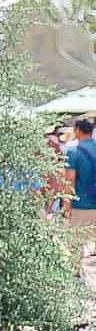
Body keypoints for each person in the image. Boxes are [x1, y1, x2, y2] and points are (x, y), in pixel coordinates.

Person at [66, 118, 96, 285]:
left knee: (76, 243)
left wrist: (66, 206)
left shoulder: (73, 151)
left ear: (77, 130)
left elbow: (69, 180)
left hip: (81, 205)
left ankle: (75, 275)